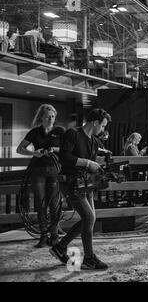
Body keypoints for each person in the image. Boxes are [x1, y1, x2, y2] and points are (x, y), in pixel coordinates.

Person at [49, 108, 111, 270]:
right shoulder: (73, 134)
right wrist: (88, 163)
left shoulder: (93, 141)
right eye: (103, 126)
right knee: (89, 218)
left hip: (85, 184)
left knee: (89, 219)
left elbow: (92, 163)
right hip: (71, 183)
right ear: (95, 122)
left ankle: (61, 247)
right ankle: (89, 258)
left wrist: (100, 170)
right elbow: (64, 157)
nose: (103, 130)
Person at [16, 104, 65, 248]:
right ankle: (44, 236)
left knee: (55, 203)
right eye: (48, 116)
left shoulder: (60, 131)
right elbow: (20, 149)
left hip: (54, 170)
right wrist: (34, 153)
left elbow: (68, 149)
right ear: (41, 117)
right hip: (37, 171)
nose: (50, 119)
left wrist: (54, 149)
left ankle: (54, 235)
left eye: (53, 117)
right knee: (40, 203)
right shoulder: (34, 132)